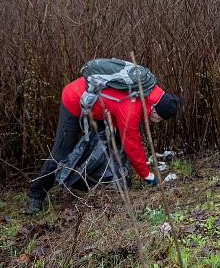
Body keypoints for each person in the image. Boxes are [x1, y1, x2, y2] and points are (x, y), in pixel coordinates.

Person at [25, 71, 181, 214]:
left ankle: (118, 181)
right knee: (60, 153)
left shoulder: (152, 90)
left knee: (116, 140)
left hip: (99, 109)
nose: (156, 121)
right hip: (74, 100)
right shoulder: (132, 108)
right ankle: (35, 196)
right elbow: (132, 144)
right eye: (158, 118)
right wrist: (147, 175)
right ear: (154, 110)